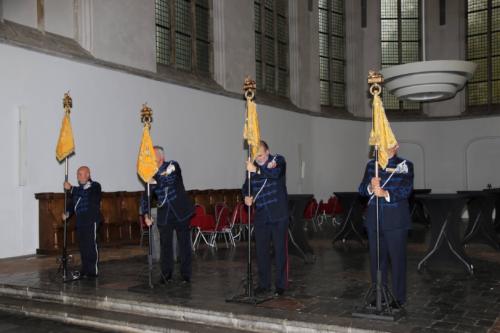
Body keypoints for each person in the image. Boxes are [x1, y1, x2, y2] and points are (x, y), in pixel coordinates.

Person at [358, 144, 414, 307]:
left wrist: (385, 193)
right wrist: (370, 186)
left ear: (396, 147)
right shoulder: (371, 165)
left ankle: (398, 298)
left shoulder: (404, 165)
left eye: (388, 143)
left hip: (396, 220)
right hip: (374, 220)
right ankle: (379, 295)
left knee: (397, 261)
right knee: (376, 261)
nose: (384, 146)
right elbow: (361, 189)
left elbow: (406, 190)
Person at [142, 146, 194, 284]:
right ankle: (166, 274)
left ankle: (186, 275)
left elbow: (168, 181)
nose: (150, 159)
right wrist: (146, 214)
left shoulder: (173, 166)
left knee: (183, 243)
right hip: (165, 214)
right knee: (165, 245)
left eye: (152, 157)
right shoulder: (150, 175)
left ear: (161, 158)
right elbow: (145, 197)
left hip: (181, 211)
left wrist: (155, 179)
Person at [243, 140, 289, 296]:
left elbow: (275, 175)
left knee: (279, 250)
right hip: (261, 215)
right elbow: (246, 186)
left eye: (261, 155)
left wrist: (255, 170)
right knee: (261, 251)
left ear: (268, 152)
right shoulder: (252, 167)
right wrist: (246, 197)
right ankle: (264, 284)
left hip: (278, 214)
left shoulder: (278, 160)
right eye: (256, 156)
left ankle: (281, 285)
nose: (259, 158)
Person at [62, 166, 102, 279]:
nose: (78, 176)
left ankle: (92, 271)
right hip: (80, 220)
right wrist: (68, 213)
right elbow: (72, 204)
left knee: (90, 246)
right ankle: (85, 269)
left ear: (88, 175)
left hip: (91, 219)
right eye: (77, 174)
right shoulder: (79, 189)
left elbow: (88, 196)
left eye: (81, 173)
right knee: (83, 247)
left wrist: (72, 189)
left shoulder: (95, 186)